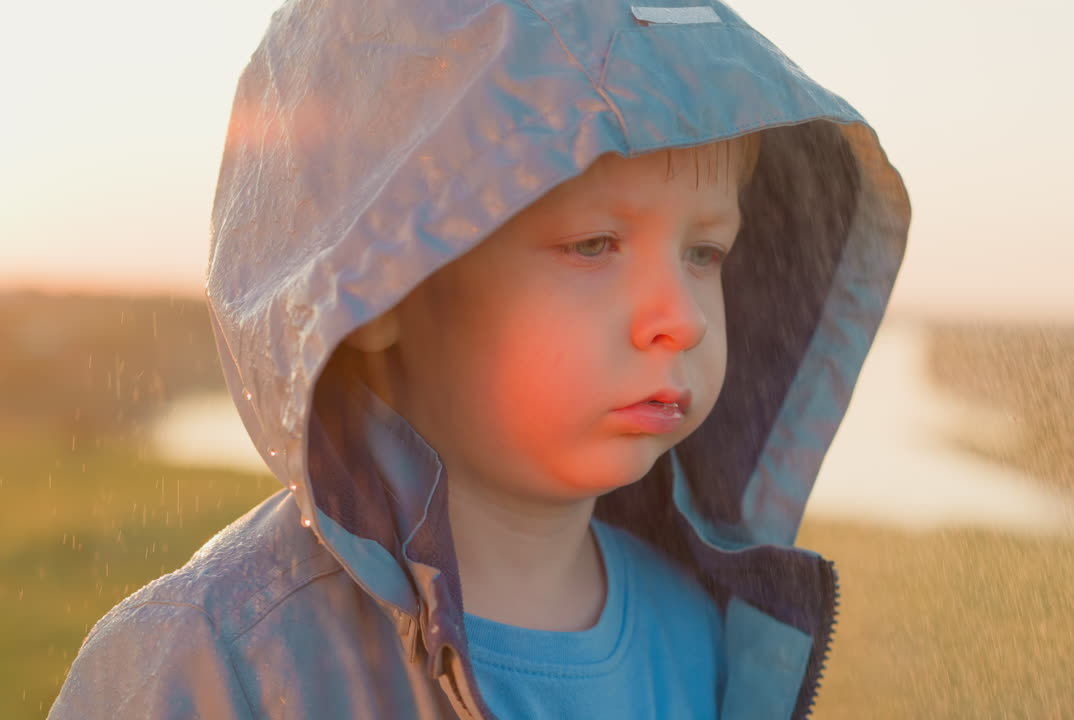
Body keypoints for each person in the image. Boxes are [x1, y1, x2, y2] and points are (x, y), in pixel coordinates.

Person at [49, 0, 910, 717]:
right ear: (381, 290)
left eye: (706, 253)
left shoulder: (700, 635)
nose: (679, 318)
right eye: (593, 244)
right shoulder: (212, 663)